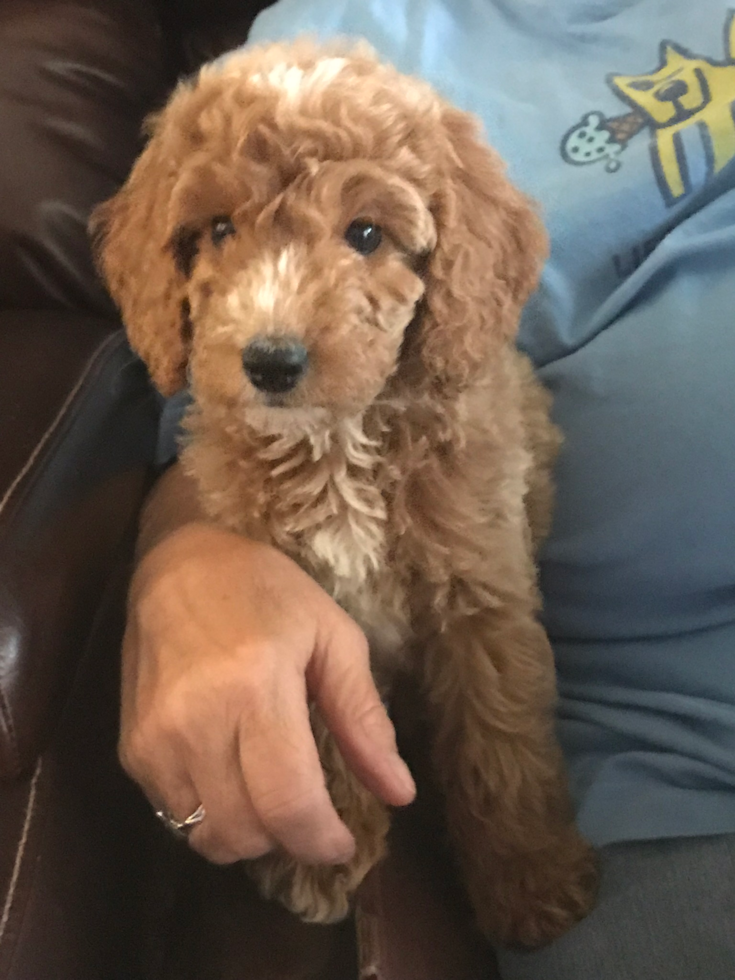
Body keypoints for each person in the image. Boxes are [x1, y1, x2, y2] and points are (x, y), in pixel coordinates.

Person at [120, 1, 735, 977]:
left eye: (364, 230)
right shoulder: (340, 26)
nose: (273, 310)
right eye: (224, 230)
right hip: (670, 779)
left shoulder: (461, 412)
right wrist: (177, 562)